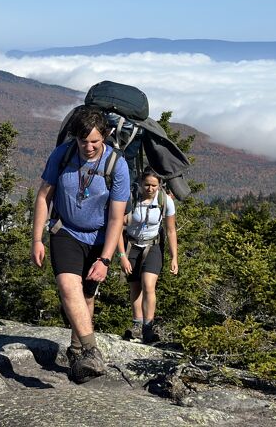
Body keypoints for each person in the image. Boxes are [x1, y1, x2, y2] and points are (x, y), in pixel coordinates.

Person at [31, 106, 129, 383]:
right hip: (65, 230)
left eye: (95, 142)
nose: (89, 147)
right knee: (67, 284)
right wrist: (37, 239)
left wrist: (106, 259)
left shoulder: (117, 165)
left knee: (87, 296)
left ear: (106, 138)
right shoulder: (62, 156)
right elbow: (43, 198)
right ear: (75, 138)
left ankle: (77, 352)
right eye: (83, 141)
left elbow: (116, 218)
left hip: (100, 237)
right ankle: (91, 350)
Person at [117, 167, 178, 343]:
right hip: (131, 245)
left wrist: (174, 257)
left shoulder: (165, 201)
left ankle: (148, 327)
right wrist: (121, 255)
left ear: (159, 185)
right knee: (135, 286)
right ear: (140, 184)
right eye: (146, 185)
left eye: (154, 185)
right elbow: (118, 228)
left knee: (148, 285)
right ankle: (137, 324)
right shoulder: (130, 199)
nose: (150, 189)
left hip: (153, 245)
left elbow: (171, 230)